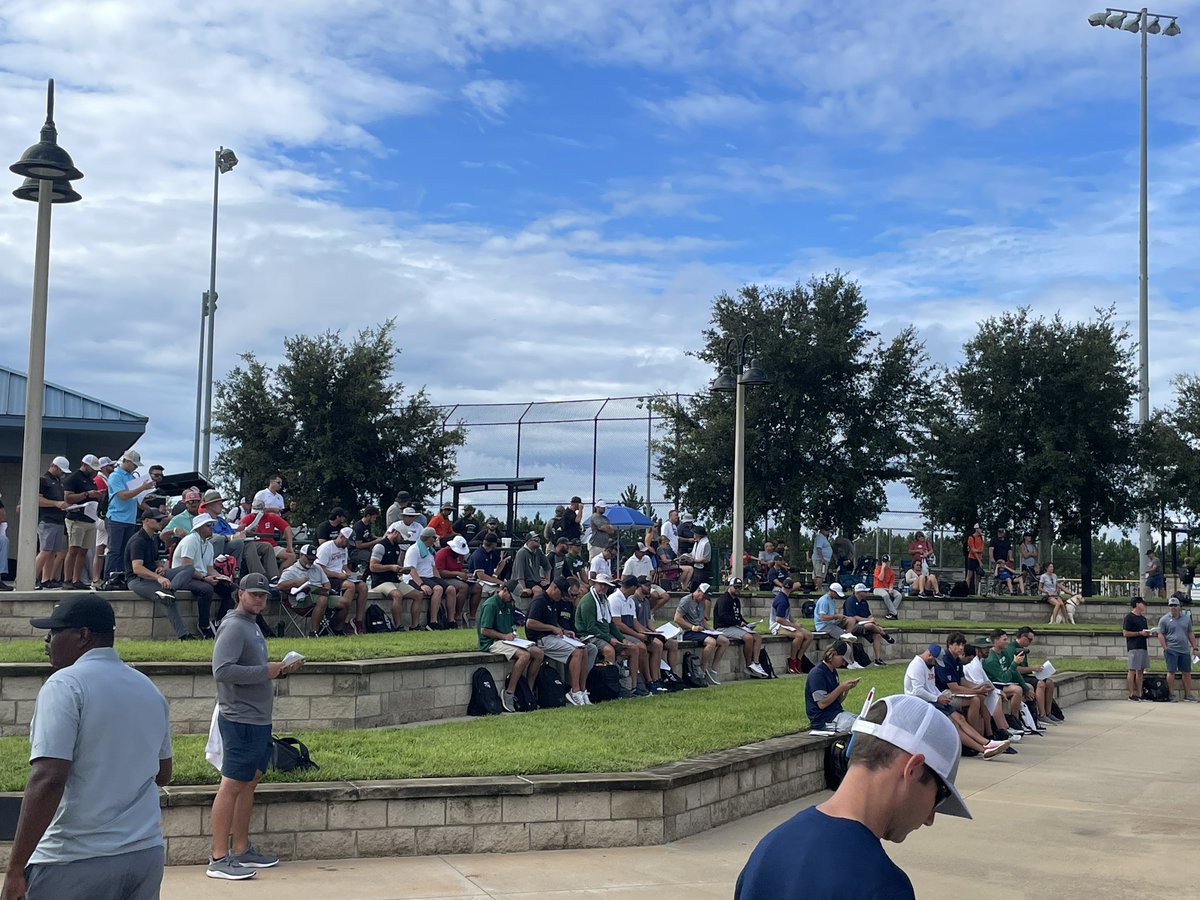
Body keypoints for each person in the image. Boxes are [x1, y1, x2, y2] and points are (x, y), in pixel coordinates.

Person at [1, 596, 172, 900]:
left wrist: (15, 869)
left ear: (83, 635)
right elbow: (163, 773)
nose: (47, 640)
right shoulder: (148, 688)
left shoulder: (64, 685)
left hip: (74, 858)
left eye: (55, 631)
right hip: (144, 853)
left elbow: (49, 778)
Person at [736, 693, 971, 900]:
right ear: (913, 770)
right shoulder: (882, 885)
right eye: (939, 797)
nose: (930, 819)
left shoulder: (768, 850)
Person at [207, 574, 304, 880]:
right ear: (240, 594)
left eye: (264, 595)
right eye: (254, 594)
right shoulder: (235, 626)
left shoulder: (251, 624)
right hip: (240, 718)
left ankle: (241, 848)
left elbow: (251, 669)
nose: (260, 599)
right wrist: (267, 671)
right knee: (232, 783)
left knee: (250, 781)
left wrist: (281, 670)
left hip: (257, 718)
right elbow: (222, 671)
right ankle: (218, 858)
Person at [904, 644, 1010, 757]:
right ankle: (983, 749)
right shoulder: (916, 666)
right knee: (954, 724)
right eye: (935, 662)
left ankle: (987, 742)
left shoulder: (930, 664)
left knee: (960, 719)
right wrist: (937, 698)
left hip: (934, 700)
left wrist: (941, 696)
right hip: (922, 703)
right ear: (930, 656)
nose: (935, 665)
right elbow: (917, 691)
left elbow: (931, 687)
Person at [125, 508, 200, 640]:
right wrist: (158, 577)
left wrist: (160, 567)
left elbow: (155, 561)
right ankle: (184, 636)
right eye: (158, 520)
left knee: (189, 568)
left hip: (152, 577)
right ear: (146, 521)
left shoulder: (152, 539)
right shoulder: (138, 540)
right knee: (167, 598)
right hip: (137, 580)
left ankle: (170, 589)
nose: (161, 522)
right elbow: (137, 568)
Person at [478, 580, 545, 713]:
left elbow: (510, 626)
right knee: (524, 655)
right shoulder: (490, 605)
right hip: (492, 642)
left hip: (508, 640)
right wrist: (504, 636)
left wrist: (513, 635)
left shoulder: (508, 605)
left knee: (538, 653)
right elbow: (484, 630)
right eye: (511, 596)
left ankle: (528, 690)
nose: (511, 600)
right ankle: (509, 692)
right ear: (505, 590)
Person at [525, 577, 593, 705]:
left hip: (553, 636)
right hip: (541, 638)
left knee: (583, 649)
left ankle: (582, 690)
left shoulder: (553, 602)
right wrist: (551, 628)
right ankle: (574, 690)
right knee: (577, 651)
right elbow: (530, 623)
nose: (561, 597)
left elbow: (552, 622)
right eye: (561, 594)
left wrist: (563, 630)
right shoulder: (540, 601)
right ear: (554, 588)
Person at [172, 513, 235, 637]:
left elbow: (210, 569)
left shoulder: (208, 545)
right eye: (208, 525)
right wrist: (205, 578)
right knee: (206, 589)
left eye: (212, 525)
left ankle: (219, 622)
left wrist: (221, 577)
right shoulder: (190, 540)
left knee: (232, 588)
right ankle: (204, 625)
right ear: (199, 527)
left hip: (201, 577)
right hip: (183, 577)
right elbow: (186, 567)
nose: (211, 528)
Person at [103, 449, 155, 581]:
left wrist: (147, 500)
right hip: (116, 518)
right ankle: (108, 578)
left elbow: (136, 499)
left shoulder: (132, 477)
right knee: (114, 550)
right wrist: (142, 488)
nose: (136, 467)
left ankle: (122, 576)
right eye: (134, 464)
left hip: (129, 519)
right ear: (126, 461)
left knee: (125, 551)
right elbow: (123, 495)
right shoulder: (115, 476)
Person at [673, 582, 729, 685]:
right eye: (703, 596)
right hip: (687, 631)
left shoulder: (702, 602)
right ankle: (702, 670)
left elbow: (701, 619)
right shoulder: (686, 600)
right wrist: (692, 627)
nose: (704, 599)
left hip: (700, 630)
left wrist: (711, 629)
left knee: (725, 641)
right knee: (711, 642)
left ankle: (713, 669)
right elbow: (677, 618)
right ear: (698, 591)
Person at [61, 455, 104, 589]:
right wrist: (87, 494)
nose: (94, 471)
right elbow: (68, 498)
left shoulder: (90, 480)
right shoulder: (73, 478)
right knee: (73, 549)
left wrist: (96, 495)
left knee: (83, 551)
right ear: (84, 465)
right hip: (76, 518)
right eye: (92, 468)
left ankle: (76, 579)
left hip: (89, 518)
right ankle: (67, 580)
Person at [367, 521, 420, 630]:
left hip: (394, 580)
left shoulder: (396, 547)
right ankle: (398, 625)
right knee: (397, 595)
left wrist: (402, 570)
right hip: (380, 581)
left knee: (418, 595)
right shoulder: (380, 546)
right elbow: (373, 566)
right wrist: (391, 567)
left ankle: (415, 625)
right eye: (401, 537)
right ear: (396, 533)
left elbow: (397, 565)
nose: (402, 540)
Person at [314, 526, 367, 633]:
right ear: (342, 537)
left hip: (340, 576)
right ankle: (340, 621)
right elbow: (319, 568)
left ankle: (358, 621)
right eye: (347, 542)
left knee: (363, 586)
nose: (348, 545)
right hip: (327, 578)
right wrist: (338, 575)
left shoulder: (344, 549)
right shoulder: (326, 547)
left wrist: (353, 575)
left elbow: (344, 567)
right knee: (350, 586)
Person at [276, 545, 336, 637]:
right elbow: (279, 586)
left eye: (313, 559)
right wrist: (296, 582)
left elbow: (327, 584)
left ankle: (336, 630)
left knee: (343, 602)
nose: (311, 561)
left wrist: (326, 590)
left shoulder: (317, 568)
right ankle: (314, 632)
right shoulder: (291, 570)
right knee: (322, 599)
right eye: (309, 559)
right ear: (301, 555)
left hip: (321, 594)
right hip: (302, 600)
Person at [713, 578, 768, 678]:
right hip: (723, 627)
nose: (738, 590)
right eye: (736, 587)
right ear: (730, 586)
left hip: (734, 626)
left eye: (740, 587)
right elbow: (722, 616)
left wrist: (747, 624)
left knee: (757, 637)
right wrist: (739, 623)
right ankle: (748, 664)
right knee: (748, 638)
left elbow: (738, 615)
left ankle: (755, 663)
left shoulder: (736, 600)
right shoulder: (724, 599)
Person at [802, 641, 861, 732]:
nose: (843, 664)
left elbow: (836, 701)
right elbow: (822, 704)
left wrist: (846, 689)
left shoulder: (833, 671)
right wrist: (841, 688)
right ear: (834, 654)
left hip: (835, 714)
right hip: (823, 720)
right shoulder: (817, 673)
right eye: (843, 659)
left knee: (863, 721)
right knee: (860, 726)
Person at [1012, 627, 1062, 723]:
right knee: (1040, 684)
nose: (1030, 642)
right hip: (1016, 677)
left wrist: (1035, 670)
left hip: (1024, 675)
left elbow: (1023, 668)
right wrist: (1032, 668)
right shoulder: (1013, 648)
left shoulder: (1022, 649)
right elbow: (1015, 668)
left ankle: (1048, 712)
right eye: (1029, 640)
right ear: (1022, 637)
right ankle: (1042, 715)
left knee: (1049, 682)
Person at [35, 456, 70, 589]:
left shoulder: (59, 482)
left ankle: (47, 579)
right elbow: (38, 500)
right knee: (45, 550)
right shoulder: (43, 480)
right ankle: (32, 577)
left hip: (58, 520)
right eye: (61, 470)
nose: (62, 474)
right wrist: (56, 503)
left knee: (52, 552)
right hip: (47, 519)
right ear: (54, 467)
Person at [843, 583, 896, 666]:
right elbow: (853, 617)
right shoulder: (850, 601)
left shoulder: (864, 601)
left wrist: (872, 619)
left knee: (877, 635)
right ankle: (884, 634)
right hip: (853, 625)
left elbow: (868, 614)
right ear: (858, 592)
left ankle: (878, 659)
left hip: (864, 624)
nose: (866, 593)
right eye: (864, 591)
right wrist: (868, 620)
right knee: (870, 626)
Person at [404, 526, 447, 630]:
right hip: (413, 578)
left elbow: (433, 568)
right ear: (428, 538)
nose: (435, 540)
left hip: (429, 577)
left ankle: (451, 621)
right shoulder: (414, 550)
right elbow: (411, 569)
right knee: (438, 589)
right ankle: (433, 622)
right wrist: (421, 585)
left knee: (450, 589)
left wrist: (441, 581)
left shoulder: (430, 550)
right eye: (434, 538)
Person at [1157, 596, 1198, 702]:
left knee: (1187, 672)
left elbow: (1190, 633)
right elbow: (1160, 634)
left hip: (1184, 650)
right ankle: (1171, 694)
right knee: (1171, 672)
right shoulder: (1164, 619)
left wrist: (1195, 647)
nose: (1173, 607)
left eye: (1175, 605)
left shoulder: (1186, 619)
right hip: (1171, 650)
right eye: (1171, 605)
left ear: (1179, 606)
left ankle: (1188, 695)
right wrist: (1165, 647)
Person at [770, 576, 813, 673]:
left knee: (809, 636)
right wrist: (794, 626)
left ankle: (799, 658)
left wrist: (794, 622)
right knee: (799, 635)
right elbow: (779, 619)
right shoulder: (781, 600)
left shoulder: (785, 598)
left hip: (785, 624)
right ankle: (792, 661)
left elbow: (787, 615)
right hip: (777, 626)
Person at [1123, 597, 1153, 701]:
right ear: (1137, 604)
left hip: (1142, 646)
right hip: (1133, 646)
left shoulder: (1143, 619)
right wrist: (1139, 633)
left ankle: (1140, 693)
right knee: (1132, 670)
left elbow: (1145, 632)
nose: (1144, 606)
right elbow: (1125, 633)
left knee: (1140, 670)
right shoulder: (1129, 617)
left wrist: (1149, 634)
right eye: (1142, 603)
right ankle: (1131, 694)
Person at [965, 524, 984, 595]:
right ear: (976, 529)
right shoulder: (971, 537)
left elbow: (981, 549)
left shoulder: (981, 538)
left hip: (979, 558)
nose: (981, 530)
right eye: (980, 528)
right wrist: (979, 560)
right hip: (972, 558)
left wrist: (976, 551)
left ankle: (976, 592)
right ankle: (966, 591)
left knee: (978, 576)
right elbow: (973, 551)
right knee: (969, 575)